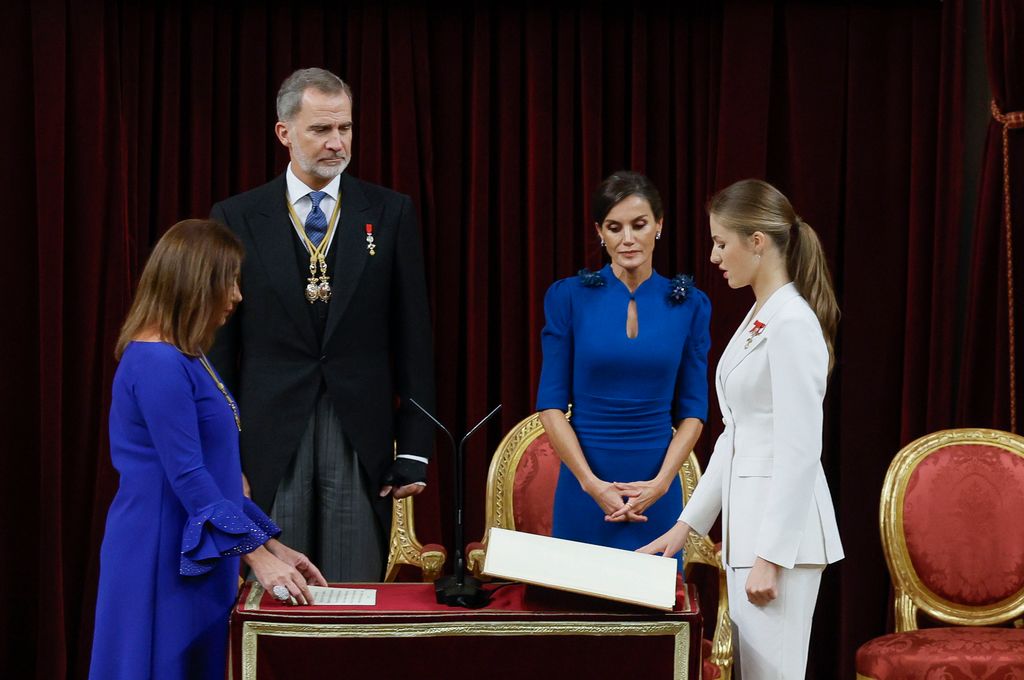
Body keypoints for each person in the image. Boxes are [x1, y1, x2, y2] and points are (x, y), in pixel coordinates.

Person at [208, 68, 435, 582]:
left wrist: (416, 446)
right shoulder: (236, 216)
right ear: (284, 133)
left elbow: (414, 338)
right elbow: (218, 350)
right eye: (321, 130)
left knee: (352, 591)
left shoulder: (391, 211)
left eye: (346, 129)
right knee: (279, 597)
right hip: (267, 435)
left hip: (360, 433)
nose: (337, 143)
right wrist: (223, 452)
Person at [89, 219, 327, 680]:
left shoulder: (187, 356)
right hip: (159, 553)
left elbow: (218, 476)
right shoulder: (158, 362)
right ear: (196, 284)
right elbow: (188, 476)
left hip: (197, 549)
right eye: (230, 282)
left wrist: (273, 546)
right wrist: (255, 557)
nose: (237, 296)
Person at [639, 179, 844, 679]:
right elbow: (737, 437)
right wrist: (686, 526)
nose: (713, 256)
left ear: (757, 241)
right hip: (751, 534)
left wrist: (769, 556)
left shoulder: (792, 322)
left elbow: (799, 450)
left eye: (721, 242)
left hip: (780, 545)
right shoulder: (761, 315)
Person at [535, 171, 711, 560]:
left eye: (639, 224)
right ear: (600, 232)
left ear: (659, 226)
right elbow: (550, 405)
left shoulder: (691, 305)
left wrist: (662, 484)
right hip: (585, 493)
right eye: (614, 227)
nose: (627, 238)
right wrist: (592, 484)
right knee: (579, 615)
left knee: (657, 616)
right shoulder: (568, 297)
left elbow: (694, 411)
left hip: (657, 494)